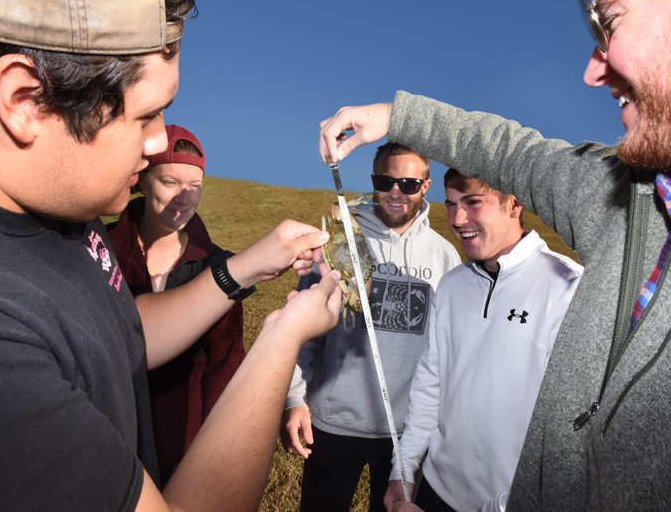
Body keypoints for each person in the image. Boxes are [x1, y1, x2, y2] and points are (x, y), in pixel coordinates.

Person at [319, 0, 671, 509]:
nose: (593, 69)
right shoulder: (623, 199)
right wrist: (394, 116)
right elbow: (514, 151)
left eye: (611, 21)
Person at [0, 0, 341, 511]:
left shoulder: (58, 202)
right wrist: (283, 334)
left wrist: (241, 269)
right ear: (26, 102)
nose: (160, 140)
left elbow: (121, 334)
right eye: (146, 117)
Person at [383, 170, 582, 512]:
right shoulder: (451, 284)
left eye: (473, 202)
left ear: (514, 204)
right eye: (451, 205)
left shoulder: (567, 286)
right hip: (434, 487)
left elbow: (572, 436)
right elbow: (432, 382)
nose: (458, 220)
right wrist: (404, 467)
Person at [280, 142, 461, 512]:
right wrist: (294, 398)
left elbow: (448, 350)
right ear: (373, 181)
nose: (396, 192)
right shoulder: (338, 243)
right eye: (385, 181)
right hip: (333, 424)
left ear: (426, 186)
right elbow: (303, 330)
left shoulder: (446, 256)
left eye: (409, 184)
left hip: (406, 435)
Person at [107, 124, 247, 487]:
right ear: (142, 180)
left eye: (195, 187)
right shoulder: (101, 248)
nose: (184, 198)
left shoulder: (216, 268)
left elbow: (224, 366)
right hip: (103, 441)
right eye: (170, 182)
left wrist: (213, 462)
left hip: (178, 453)